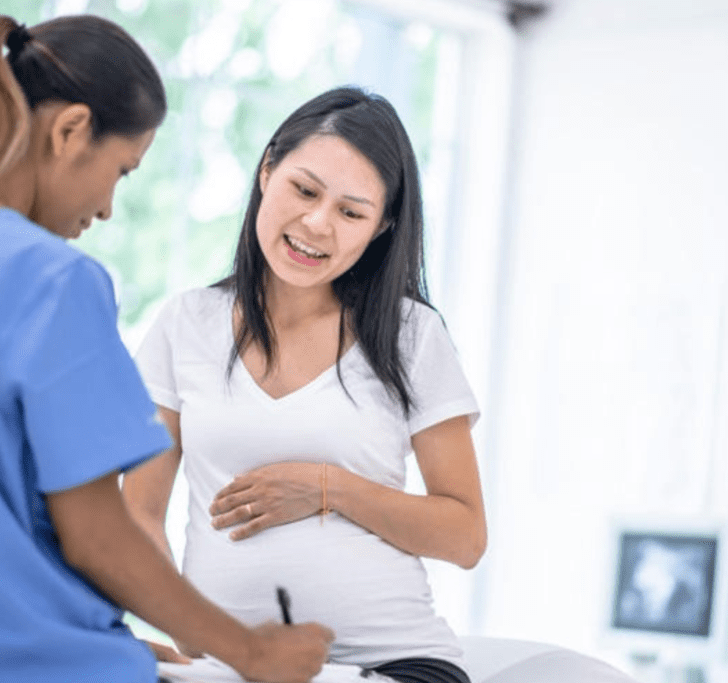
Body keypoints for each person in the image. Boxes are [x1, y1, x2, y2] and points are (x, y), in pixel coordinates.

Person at [0, 14, 331, 683]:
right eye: (123, 171)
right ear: (71, 129)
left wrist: (95, 634)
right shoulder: (49, 278)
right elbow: (98, 536)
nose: (106, 209)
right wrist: (252, 651)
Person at [124, 87, 488, 683]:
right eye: (305, 190)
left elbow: (466, 537)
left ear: (382, 225)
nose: (317, 224)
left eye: (351, 212)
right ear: (268, 169)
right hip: (224, 667)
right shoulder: (186, 323)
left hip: (389, 664)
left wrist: (330, 488)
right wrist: (190, 633)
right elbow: (138, 512)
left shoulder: (412, 335)